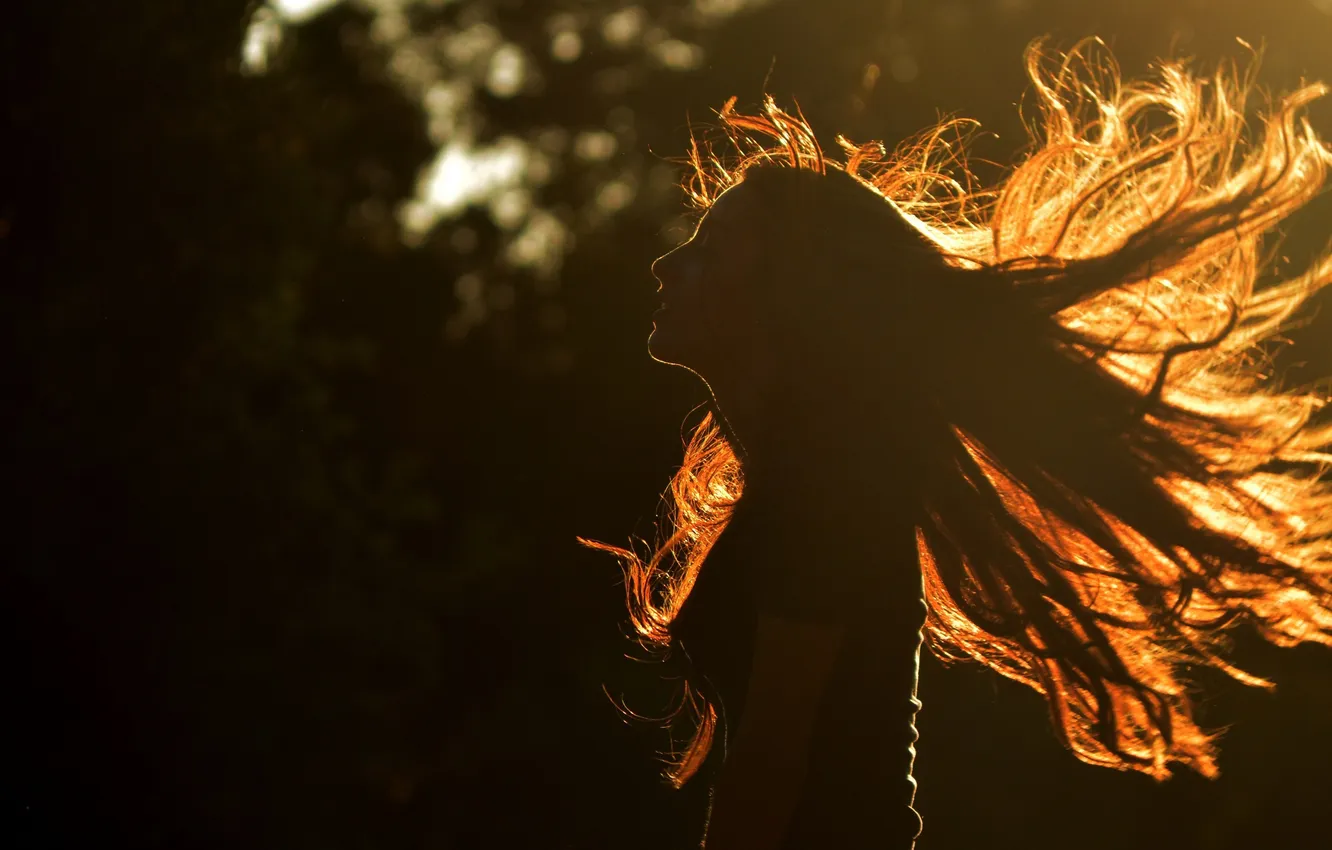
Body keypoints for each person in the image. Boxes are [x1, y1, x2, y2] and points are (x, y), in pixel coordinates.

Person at [583, 40, 1332, 849]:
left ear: (787, 297)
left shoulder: (821, 489)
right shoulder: (799, 475)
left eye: (711, 249)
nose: (665, 265)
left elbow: (772, 763)